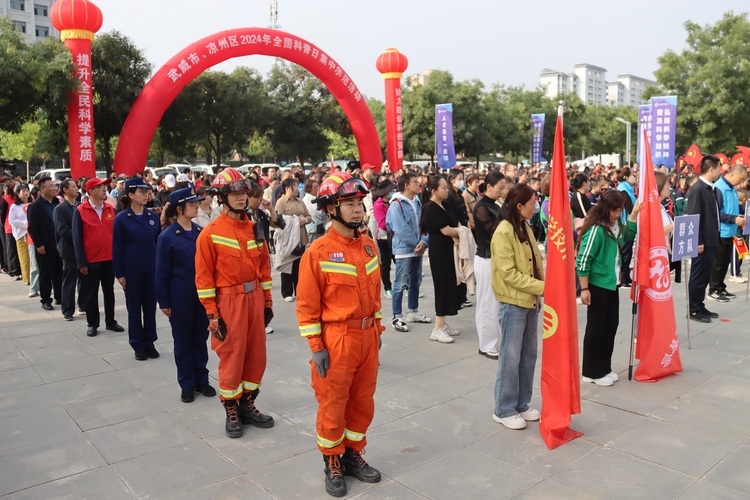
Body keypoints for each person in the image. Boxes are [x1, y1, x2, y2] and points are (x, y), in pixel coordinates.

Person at [296, 172, 383, 497]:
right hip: (337, 341)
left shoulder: (369, 246)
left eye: (359, 202)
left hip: (367, 338)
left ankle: (352, 453)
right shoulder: (317, 252)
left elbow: (374, 296)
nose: (358, 209)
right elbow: (306, 305)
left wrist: (377, 330)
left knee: (362, 401)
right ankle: (332, 460)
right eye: (349, 203)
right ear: (331, 208)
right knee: (333, 402)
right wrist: (317, 347)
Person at [195, 168, 274, 438]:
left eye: (244, 193)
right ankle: (231, 409)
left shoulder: (254, 229)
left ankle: (247, 404)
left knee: (255, 355)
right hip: (229, 301)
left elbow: (264, 269)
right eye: (235, 193)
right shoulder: (210, 234)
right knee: (231, 356)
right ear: (221, 197)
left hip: (253, 299)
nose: (241, 198)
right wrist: (212, 315)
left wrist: (267, 302)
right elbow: (204, 280)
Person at [490, 183, 545, 430]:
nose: (536, 206)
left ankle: (522, 403)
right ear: (519, 206)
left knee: (528, 354)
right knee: (510, 358)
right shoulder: (503, 231)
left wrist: (541, 290)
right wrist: (544, 288)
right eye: (532, 202)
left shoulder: (525, 226)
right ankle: (503, 409)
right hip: (513, 302)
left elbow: (535, 261)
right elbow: (509, 274)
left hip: (530, 299)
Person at [155, 187, 216, 403]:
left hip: (201, 296)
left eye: (196, 202)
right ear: (179, 209)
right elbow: (161, 271)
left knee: (200, 339)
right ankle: (187, 383)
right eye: (192, 204)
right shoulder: (167, 237)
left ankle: (202, 379)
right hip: (179, 297)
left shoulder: (201, 232)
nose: (196, 206)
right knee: (182, 342)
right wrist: (164, 301)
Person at [576, 190, 640, 385]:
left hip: (611, 284)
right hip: (597, 285)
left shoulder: (613, 226)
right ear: (605, 208)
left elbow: (628, 234)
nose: (617, 214)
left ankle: (604, 367)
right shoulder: (596, 230)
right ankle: (591, 372)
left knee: (610, 327)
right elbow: (583, 260)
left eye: (620, 210)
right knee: (596, 329)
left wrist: (635, 213)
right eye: (614, 210)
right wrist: (584, 289)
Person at [113, 177, 161, 360]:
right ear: (131, 195)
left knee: (150, 307)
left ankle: (149, 342)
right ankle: (137, 344)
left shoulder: (153, 217)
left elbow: (158, 243)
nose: (145, 194)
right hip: (132, 271)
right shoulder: (122, 219)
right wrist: (120, 273)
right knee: (134, 308)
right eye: (141, 192)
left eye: (146, 191)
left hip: (151, 269)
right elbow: (117, 248)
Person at [72, 178, 124, 337]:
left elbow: (115, 235)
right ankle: (92, 323)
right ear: (90, 191)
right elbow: (77, 238)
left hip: (109, 259)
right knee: (91, 293)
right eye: (99, 187)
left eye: (104, 186)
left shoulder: (110, 208)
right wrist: (81, 261)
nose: (104, 189)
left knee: (109, 291)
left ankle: (110, 321)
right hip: (91, 260)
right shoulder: (80, 210)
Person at [386, 172, 431, 332]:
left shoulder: (416, 201)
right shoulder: (396, 204)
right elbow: (400, 229)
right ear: (406, 185)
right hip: (405, 250)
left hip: (417, 249)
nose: (418, 184)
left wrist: (424, 242)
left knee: (415, 282)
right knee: (400, 284)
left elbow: (424, 223)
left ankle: (413, 311)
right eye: (414, 182)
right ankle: (396, 316)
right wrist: (417, 244)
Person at [420, 175, 461, 343]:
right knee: (442, 287)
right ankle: (437, 328)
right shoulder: (431, 207)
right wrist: (462, 233)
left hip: (447, 251)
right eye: (443, 187)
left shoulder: (442, 204)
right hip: (439, 253)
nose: (447, 190)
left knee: (449, 285)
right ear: (434, 191)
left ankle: (443, 324)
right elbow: (446, 230)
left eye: (447, 187)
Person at [473, 170, 505, 358]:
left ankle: (493, 340)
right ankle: (486, 344)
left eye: (504, 188)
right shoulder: (482, 207)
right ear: (489, 187)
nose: (502, 192)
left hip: (495, 258)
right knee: (487, 303)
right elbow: (496, 232)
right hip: (485, 259)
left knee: (496, 302)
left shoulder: (494, 205)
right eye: (499, 188)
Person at [687, 155, 723, 323]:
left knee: (705, 275)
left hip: (711, 239)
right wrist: (698, 240)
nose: (720, 172)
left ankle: (700, 305)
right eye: (718, 168)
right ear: (711, 169)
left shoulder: (711, 188)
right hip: (702, 242)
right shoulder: (698, 189)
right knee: (698, 275)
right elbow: (694, 216)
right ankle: (693, 309)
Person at [708, 164, 747, 301]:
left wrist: (744, 211)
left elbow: (735, 207)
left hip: (730, 231)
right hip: (721, 231)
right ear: (733, 174)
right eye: (741, 179)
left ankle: (720, 287)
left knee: (725, 262)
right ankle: (713, 289)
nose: (741, 182)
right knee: (718, 263)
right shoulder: (719, 187)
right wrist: (734, 219)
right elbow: (716, 213)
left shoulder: (732, 189)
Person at [27, 177, 62, 310]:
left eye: (54, 186)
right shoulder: (35, 206)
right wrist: (38, 244)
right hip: (44, 246)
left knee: (59, 272)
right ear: (42, 189)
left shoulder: (57, 203)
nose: (54, 188)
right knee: (45, 273)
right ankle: (46, 300)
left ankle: (59, 296)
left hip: (58, 244)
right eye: (50, 186)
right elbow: (32, 227)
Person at [274, 177, 311, 301]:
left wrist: (304, 220)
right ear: (287, 188)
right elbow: (279, 220)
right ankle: (287, 292)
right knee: (287, 265)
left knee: (299, 266)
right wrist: (294, 222)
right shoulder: (281, 202)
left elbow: (309, 216)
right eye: (294, 186)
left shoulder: (300, 201)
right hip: (288, 240)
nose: (297, 189)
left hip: (301, 238)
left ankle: (299, 290)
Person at [54, 179, 81, 321]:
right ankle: (68, 309)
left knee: (84, 279)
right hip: (68, 249)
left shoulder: (79, 206)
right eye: (74, 187)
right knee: (69, 280)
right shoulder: (60, 209)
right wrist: (80, 236)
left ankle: (83, 305)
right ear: (65, 190)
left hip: (81, 249)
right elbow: (63, 230)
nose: (77, 189)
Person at [445, 168, 472, 308]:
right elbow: (450, 217)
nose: (462, 181)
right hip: (455, 233)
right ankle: (457, 297)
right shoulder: (448, 196)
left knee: (464, 263)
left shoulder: (460, 195)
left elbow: (464, 214)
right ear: (452, 180)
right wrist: (456, 236)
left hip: (464, 230)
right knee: (457, 266)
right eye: (460, 178)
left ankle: (462, 296)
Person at [371, 178, 397, 298]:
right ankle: (388, 287)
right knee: (386, 263)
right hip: (384, 238)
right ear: (386, 192)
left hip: (395, 236)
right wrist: (397, 223)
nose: (394, 191)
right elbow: (382, 223)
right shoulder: (378, 205)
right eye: (392, 189)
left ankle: (406, 286)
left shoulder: (394, 202)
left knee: (400, 262)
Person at [616, 167, 637, 287]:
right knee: (626, 252)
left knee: (627, 252)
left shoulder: (628, 189)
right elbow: (630, 208)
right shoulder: (623, 190)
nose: (634, 177)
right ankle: (624, 278)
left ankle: (626, 276)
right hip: (626, 224)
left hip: (628, 223)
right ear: (626, 177)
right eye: (632, 175)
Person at [8, 184, 31, 285]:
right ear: (18, 194)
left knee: (33, 258)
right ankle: (27, 278)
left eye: (27, 190)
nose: (26, 193)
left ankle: (34, 278)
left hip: (31, 234)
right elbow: (12, 220)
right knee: (24, 258)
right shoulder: (14, 206)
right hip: (21, 234)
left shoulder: (32, 204)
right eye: (23, 191)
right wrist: (25, 224)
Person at [0, 181, 21, 279]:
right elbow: (3, 215)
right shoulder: (6, 199)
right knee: (11, 250)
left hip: (21, 227)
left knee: (19, 250)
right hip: (10, 227)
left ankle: (21, 270)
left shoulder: (20, 199)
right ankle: (13, 271)